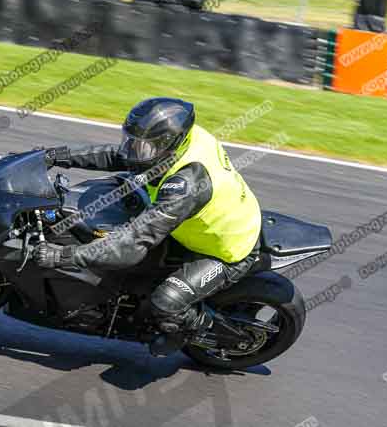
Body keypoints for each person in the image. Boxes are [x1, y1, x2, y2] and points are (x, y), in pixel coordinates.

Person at [33, 97, 263, 356]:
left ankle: (190, 329)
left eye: (143, 147)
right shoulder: (181, 140)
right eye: (133, 141)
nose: (134, 151)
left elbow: (131, 244)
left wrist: (66, 256)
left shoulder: (184, 186)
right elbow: (122, 156)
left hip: (228, 250)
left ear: (168, 144)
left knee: (165, 302)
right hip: (201, 221)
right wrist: (58, 156)